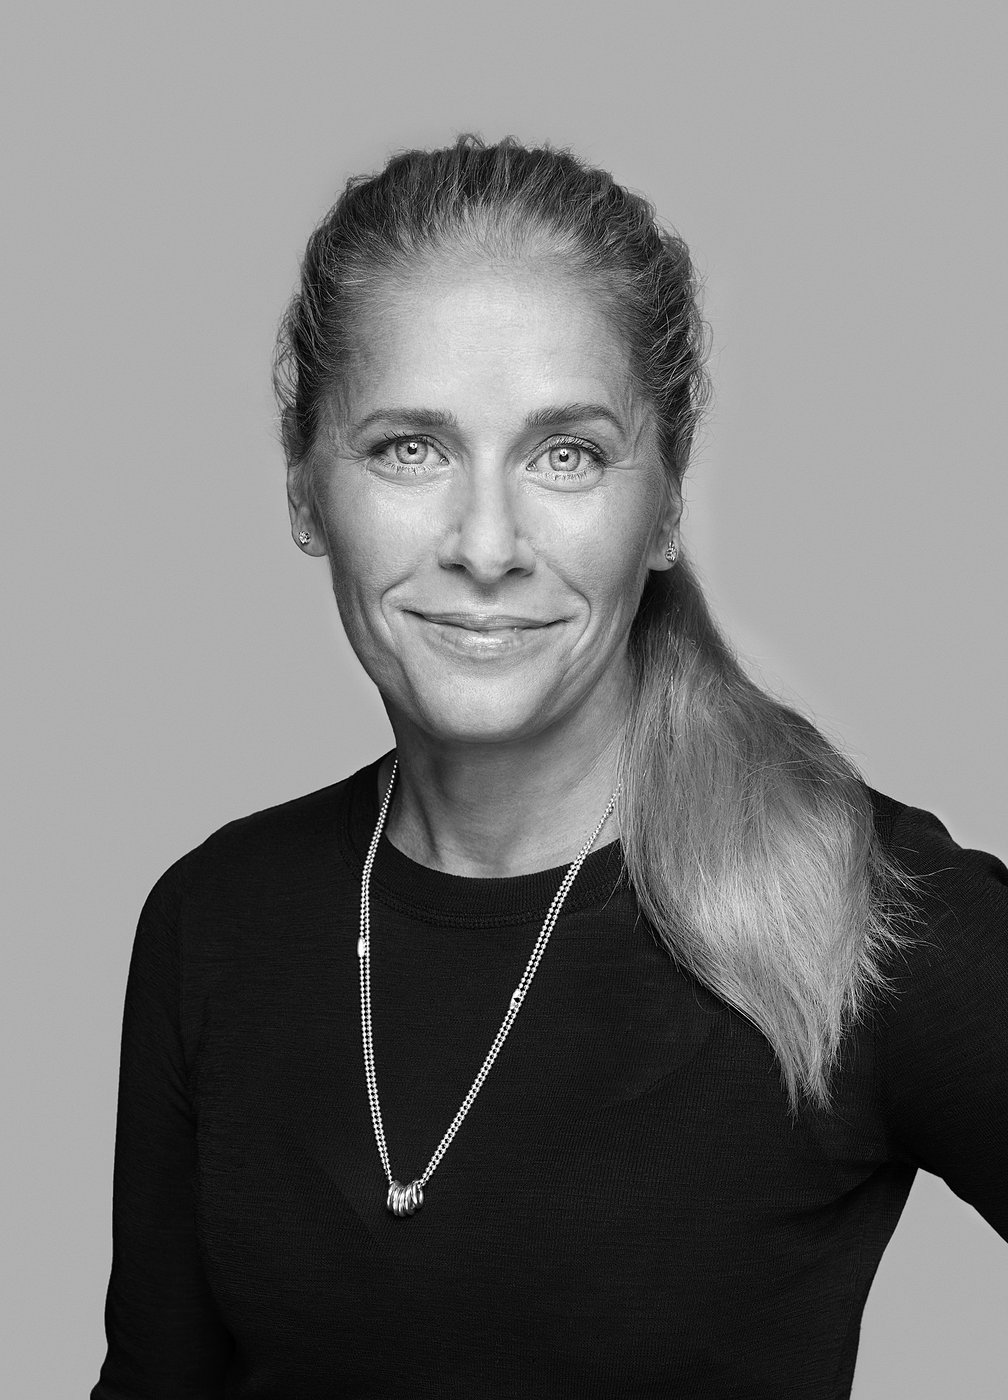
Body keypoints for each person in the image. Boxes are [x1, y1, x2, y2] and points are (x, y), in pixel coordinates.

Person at [91, 136, 1007, 1399]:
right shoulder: (217, 921)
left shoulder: (867, 909)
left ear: (665, 503)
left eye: (564, 452)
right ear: (305, 487)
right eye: (408, 447)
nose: (485, 544)